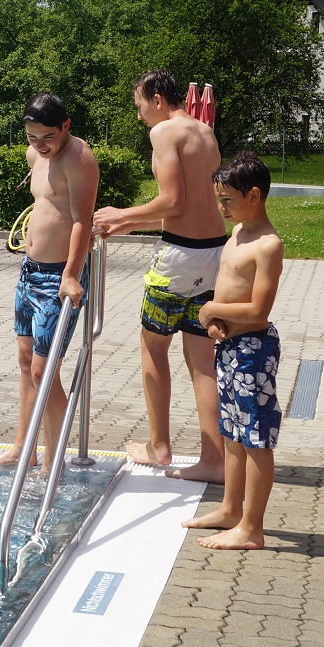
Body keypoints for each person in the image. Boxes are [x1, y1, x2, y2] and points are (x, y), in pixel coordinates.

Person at [93, 70, 227, 480]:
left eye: (139, 106)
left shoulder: (164, 132)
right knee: (201, 359)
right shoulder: (204, 131)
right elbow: (189, 206)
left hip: (179, 259)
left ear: (156, 98)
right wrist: (129, 224)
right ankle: (214, 460)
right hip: (215, 252)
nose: (139, 116)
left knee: (152, 347)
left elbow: (172, 201)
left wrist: (121, 213)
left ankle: (159, 446)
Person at [0, 93, 99, 469]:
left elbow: (82, 220)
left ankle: (54, 462)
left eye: (48, 136)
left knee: (43, 372)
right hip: (29, 271)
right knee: (24, 362)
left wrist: (70, 275)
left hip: (58, 277)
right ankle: (24, 448)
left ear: (66, 126)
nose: (40, 144)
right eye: (32, 137)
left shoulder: (79, 158)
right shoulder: (35, 156)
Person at [182, 152, 285, 550]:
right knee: (233, 433)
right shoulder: (238, 233)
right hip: (230, 346)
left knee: (256, 437)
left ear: (254, 195)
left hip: (253, 351)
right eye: (219, 199)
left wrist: (212, 309)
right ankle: (230, 509)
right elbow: (230, 289)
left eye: (227, 200)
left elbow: (258, 310)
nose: (221, 207)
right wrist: (215, 323)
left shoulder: (268, 245)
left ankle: (252, 528)